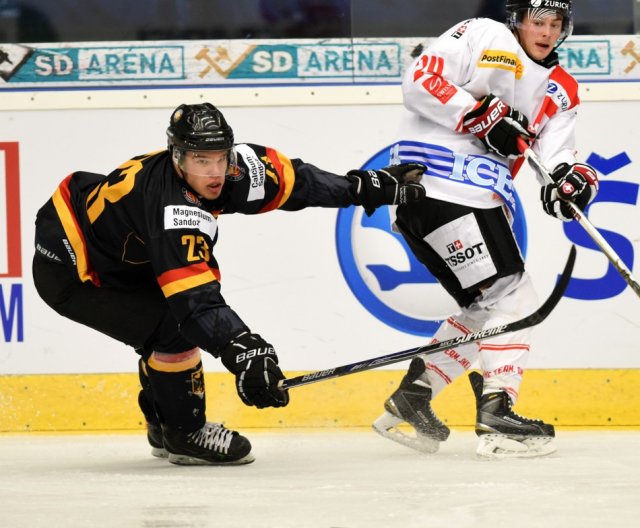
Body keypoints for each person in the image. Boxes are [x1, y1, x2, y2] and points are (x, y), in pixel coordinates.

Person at [32, 102, 425, 466]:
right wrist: (245, 353)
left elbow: (296, 182)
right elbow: (196, 304)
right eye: (200, 160)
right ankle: (184, 434)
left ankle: (165, 422)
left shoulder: (233, 170)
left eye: (220, 157)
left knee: (166, 326)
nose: (215, 172)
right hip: (75, 269)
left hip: (126, 255)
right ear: (177, 157)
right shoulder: (173, 209)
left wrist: (356, 188)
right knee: (172, 330)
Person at [372, 0, 599, 458]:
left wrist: (570, 180)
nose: (547, 32)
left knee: (485, 309)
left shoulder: (561, 89)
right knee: (514, 297)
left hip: (470, 200)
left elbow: (556, 157)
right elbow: (419, 82)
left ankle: (411, 400)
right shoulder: (482, 34)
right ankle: (498, 417)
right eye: (539, 21)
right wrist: (478, 114)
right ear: (517, 19)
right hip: (437, 186)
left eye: (556, 24)